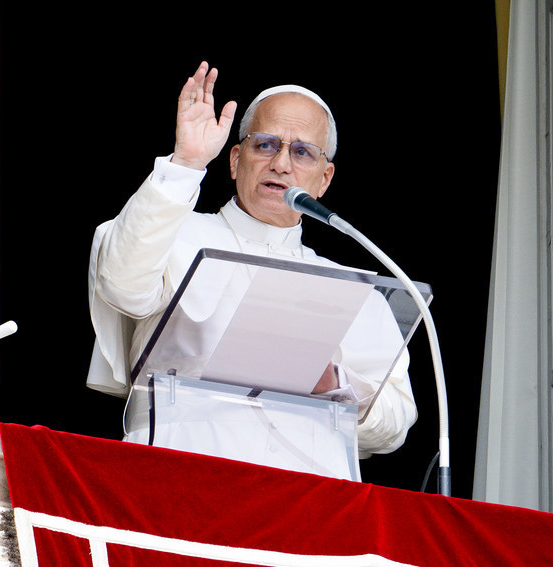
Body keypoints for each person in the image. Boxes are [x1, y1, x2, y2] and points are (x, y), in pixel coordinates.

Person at [86, 62, 417, 480]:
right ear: (235, 160)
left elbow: (394, 426)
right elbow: (121, 286)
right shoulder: (175, 230)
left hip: (309, 496)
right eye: (265, 145)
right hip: (180, 478)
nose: (281, 164)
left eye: (302, 152)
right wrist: (186, 163)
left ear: (324, 179)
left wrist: (332, 381)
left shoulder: (356, 290)